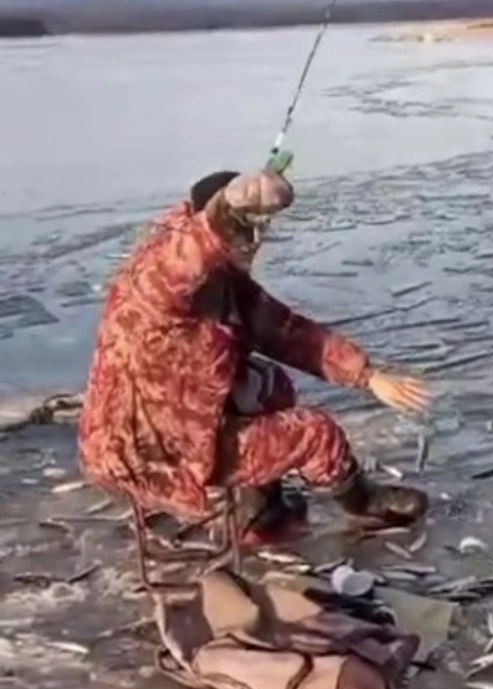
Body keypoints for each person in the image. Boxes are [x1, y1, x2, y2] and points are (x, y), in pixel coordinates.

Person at [78, 169, 431, 550]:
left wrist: (367, 375)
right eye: (249, 232)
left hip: (182, 425)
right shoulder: (156, 279)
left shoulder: (226, 285)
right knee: (314, 433)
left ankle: (260, 508)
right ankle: (362, 501)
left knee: (269, 384)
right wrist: (231, 210)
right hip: (147, 448)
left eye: (260, 231)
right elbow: (185, 254)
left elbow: (286, 331)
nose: (257, 242)